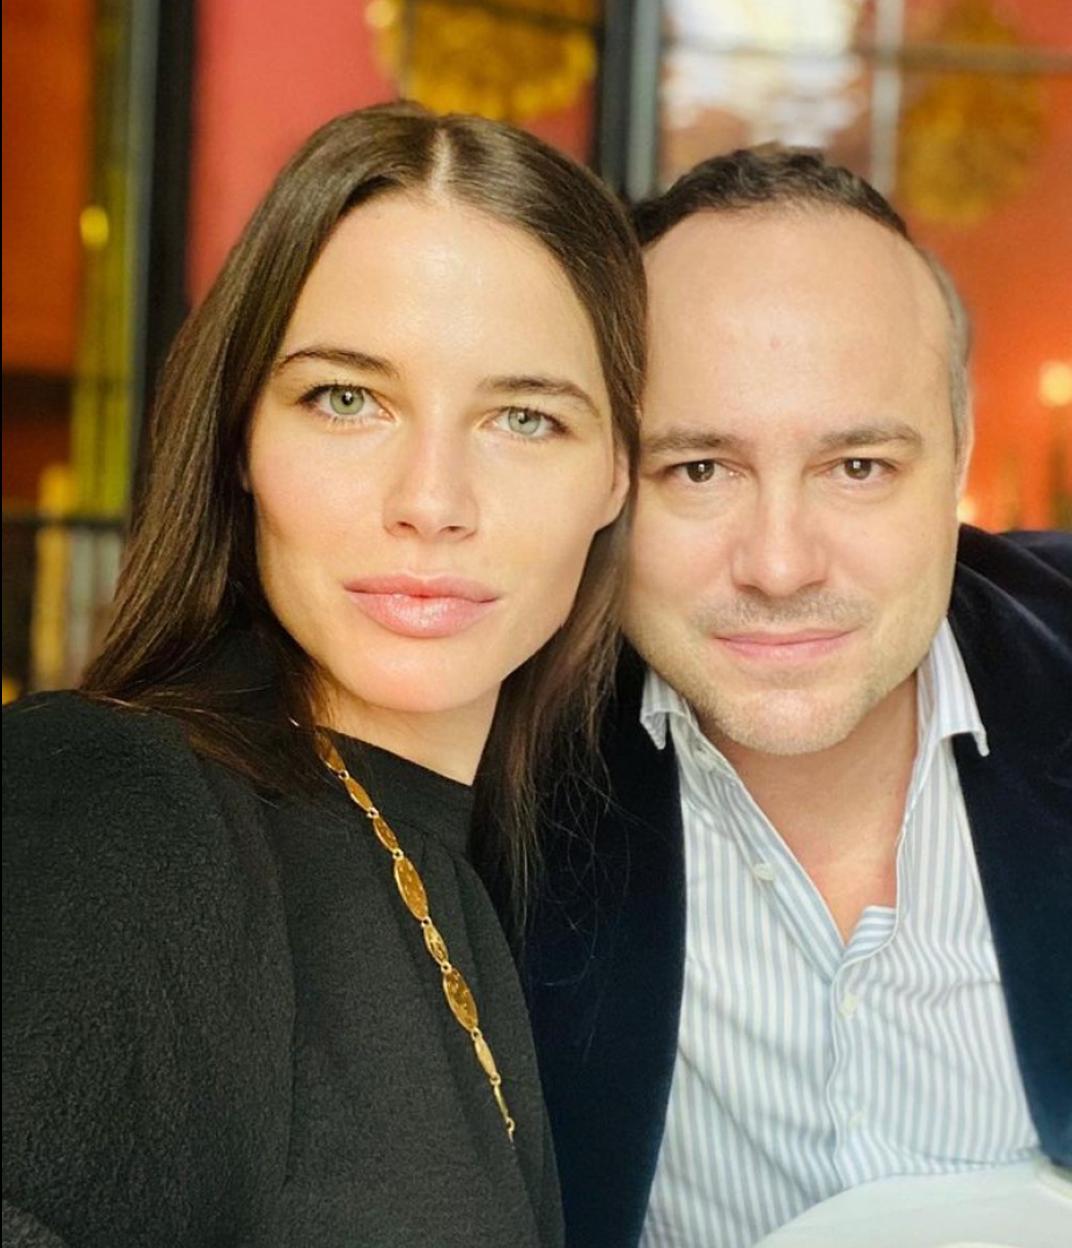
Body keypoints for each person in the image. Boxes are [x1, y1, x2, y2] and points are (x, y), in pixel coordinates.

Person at [521, 146, 1072, 1248]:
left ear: (960, 459)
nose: (779, 565)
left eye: (857, 466)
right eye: (699, 470)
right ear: (611, 482)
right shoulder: (502, 721)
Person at [2, 101, 644, 1248]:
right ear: (240, 437)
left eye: (525, 418)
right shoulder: (120, 803)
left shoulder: (480, 872)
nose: (432, 501)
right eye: (347, 399)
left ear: (616, 479)